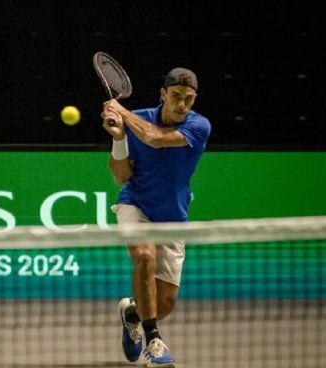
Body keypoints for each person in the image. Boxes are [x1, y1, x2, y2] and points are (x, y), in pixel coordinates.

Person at [101, 67, 211, 366]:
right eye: (176, 97)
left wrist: (123, 115)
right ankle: (154, 341)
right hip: (135, 205)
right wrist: (119, 137)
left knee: (163, 304)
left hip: (173, 216)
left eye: (188, 99)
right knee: (144, 257)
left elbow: (154, 137)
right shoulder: (136, 120)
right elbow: (121, 176)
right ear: (163, 94)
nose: (181, 105)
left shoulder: (199, 126)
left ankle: (132, 314)